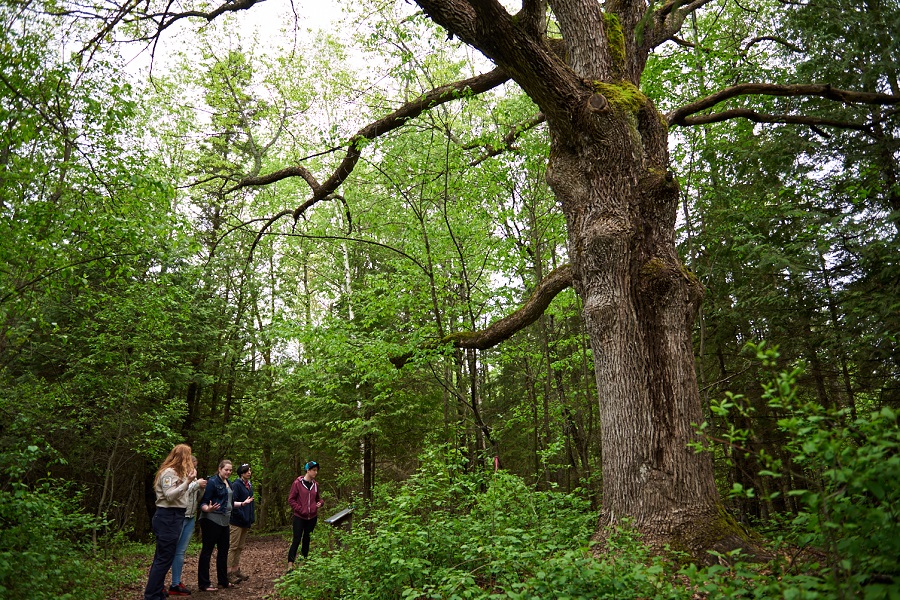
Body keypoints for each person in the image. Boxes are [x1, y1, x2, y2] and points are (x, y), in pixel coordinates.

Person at [144, 444, 197, 600]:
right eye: (189, 456)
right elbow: (169, 495)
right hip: (167, 517)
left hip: (175, 516)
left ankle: (157, 590)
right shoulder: (169, 472)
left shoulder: (178, 474)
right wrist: (187, 482)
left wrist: (188, 481)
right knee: (163, 558)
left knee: (163, 556)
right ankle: (152, 595)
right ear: (183, 457)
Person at [169, 456, 207, 596]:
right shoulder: (178, 477)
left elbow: (198, 498)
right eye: (192, 466)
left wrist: (202, 487)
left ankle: (176, 583)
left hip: (190, 518)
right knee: (169, 550)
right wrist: (195, 484)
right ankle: (159, 583)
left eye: (195, 466)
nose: (194, 469)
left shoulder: (194, 480)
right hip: (179, 517)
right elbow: (179, 492)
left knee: (181, 551)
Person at [197, 459, 235, 591]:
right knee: (207, 551)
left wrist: (242, 504)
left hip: (225, 521)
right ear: (219, 469)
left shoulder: (229, 483)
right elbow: (203, 502)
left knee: (224, 551)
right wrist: (208, 509)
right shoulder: (213, 482)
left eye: (230, 470)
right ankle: (204, 583)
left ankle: (223, 580)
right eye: (226, 470)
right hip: (211, 520)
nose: (228, 472)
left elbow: (228, 502)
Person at [287, 460, 324, 569]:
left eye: (316, 470)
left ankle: (303, 563)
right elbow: (291, 499)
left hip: (312, 517)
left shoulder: (315, 485)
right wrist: (300, 509)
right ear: (307, 470)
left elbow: (319, 499)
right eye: (313, 470)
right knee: (297, 539)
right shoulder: (297, 483)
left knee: (307, 539)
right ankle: (290, 565)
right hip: (299, 517)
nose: (315, 473)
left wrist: (320, 503)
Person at [227, 463, 255, 585]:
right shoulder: (236, 485)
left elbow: (251, 503)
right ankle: (228, 573)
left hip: (246, 521)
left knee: (240, 546)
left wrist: (250, 518)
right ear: (241, 473)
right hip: (236, 521)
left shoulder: (249, 485)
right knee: (233, 546)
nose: (249, 472)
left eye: (249, 470)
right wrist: (242, 515)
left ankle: (236, 569)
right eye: (246, 471)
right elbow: (234, 503)